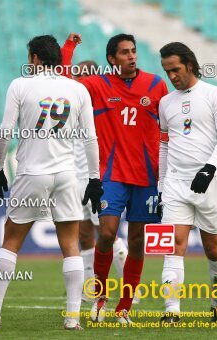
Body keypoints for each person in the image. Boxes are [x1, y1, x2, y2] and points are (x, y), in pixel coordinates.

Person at [0, 35, 102, 331]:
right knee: (70, 244)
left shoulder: (20, 85)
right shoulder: (78, 89)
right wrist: (94, 178)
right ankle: (72, 318)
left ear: (36, 59)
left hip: (32, 172)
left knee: (12, 241)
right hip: (67, 175)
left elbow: (4, 131)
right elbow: (91, 138)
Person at [61, 32, 168, 324]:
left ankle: (124, 307)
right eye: (124, 52)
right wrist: (69, 47)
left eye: (133, 51)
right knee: (106, 233)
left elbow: (170, 128)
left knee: (136, 241)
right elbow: (64, 78)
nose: (132, 56)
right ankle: (100, 298)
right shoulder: (98, 85)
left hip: (146, 177)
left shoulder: (157, 85)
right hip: (111, 175)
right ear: (112, 59)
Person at [157, 42, 217, 324]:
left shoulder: (215, 94)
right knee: (173, 245)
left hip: (209, 183)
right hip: (176, 183)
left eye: (175, 69)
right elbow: (163, 145)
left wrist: (209, 169)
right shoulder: (165, 103)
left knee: (213, 249)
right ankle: (171, 311)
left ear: (189, 64)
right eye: (167, 71)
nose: (172, 76)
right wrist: (161, 184)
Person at [66, 55, 129, 303]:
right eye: (75, 75)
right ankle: (92, 291)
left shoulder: (103, 108)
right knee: (83, 236)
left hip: (98, 180)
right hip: (73, 181)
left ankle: (129, 289)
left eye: (81, 76)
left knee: (107, 234)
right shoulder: (71, 106)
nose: (76, 80)